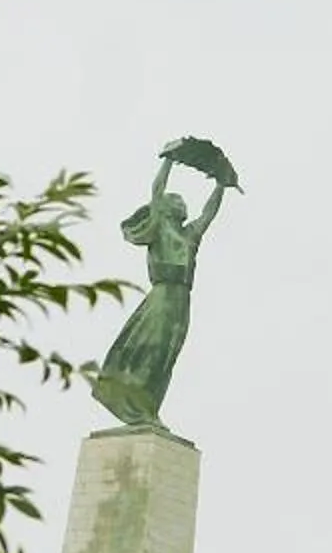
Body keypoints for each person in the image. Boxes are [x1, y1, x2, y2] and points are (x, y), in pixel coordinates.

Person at [88, 149, 228, 430]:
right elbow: (156, 190)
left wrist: (221, 185)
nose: (183, 204)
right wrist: (168, 161)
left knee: (167, 356)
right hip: (162, 295)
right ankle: (137, 407)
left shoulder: (189, 235)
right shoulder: (159, 226)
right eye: (177, 200)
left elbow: (208, 214)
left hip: (182, 300)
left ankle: (150, 409)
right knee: (152, 350)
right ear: (165, 208)